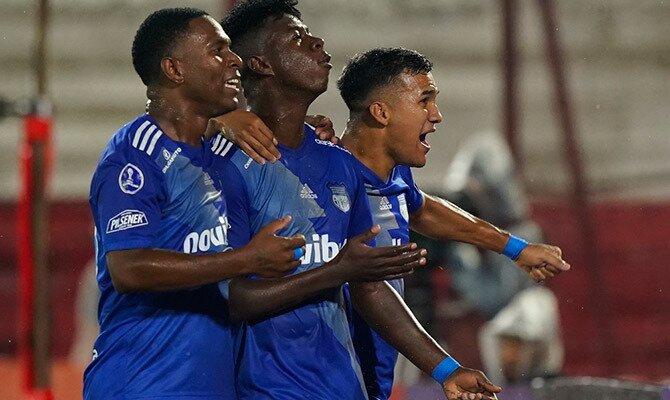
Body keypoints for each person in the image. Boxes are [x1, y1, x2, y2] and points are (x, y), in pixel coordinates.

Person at [214, 1, 503, 399]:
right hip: (264, 390)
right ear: (261, 64)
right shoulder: (225, 165)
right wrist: (336, 271)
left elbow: (369, 286)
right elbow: (225, 300)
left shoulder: (339, 163)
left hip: (345, 388)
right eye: (297, 38)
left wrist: (446, 369)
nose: (317, 43)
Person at [84, 8, 308, 399]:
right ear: (174, 69)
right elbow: (129, 268)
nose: (234, 59)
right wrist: (247, 260)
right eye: (217, 50)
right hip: (142, 384)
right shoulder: (135, 154)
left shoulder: (220, 150)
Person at [336, 47, 571, 399]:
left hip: (370, 375)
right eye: (424, 100)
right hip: (324, 374)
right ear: (381, 112)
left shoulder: (392, 174)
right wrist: (446, 368)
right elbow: (368, 289)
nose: (437, 115)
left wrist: (513, 248)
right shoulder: (329, 177)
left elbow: (424, 210)